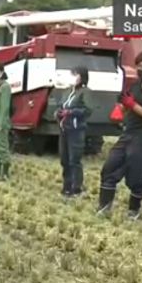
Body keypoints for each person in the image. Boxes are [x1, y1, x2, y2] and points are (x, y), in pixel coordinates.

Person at [98, 51, 142, 220]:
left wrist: (133, 105)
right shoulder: (135, 86)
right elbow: (125, 105)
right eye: (137, 66)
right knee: (109, 168)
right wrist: (119, 109)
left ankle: (133, 211)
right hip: (127, 133)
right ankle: (104, 208)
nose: (139, 69)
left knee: (135, 175)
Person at [55, 66, 91, 197]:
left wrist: (71, 112)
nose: (73, 77)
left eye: (75, 74)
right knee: (64, 159)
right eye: (72, 74)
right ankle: (66, 186)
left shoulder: (86, 92)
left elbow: (88, 110)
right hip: (64, 129)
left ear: (82, 77)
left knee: (74, 160)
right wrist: (58, 112)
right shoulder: (68, 91)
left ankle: (77, 188)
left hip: (76, 130)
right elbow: (61, 105)